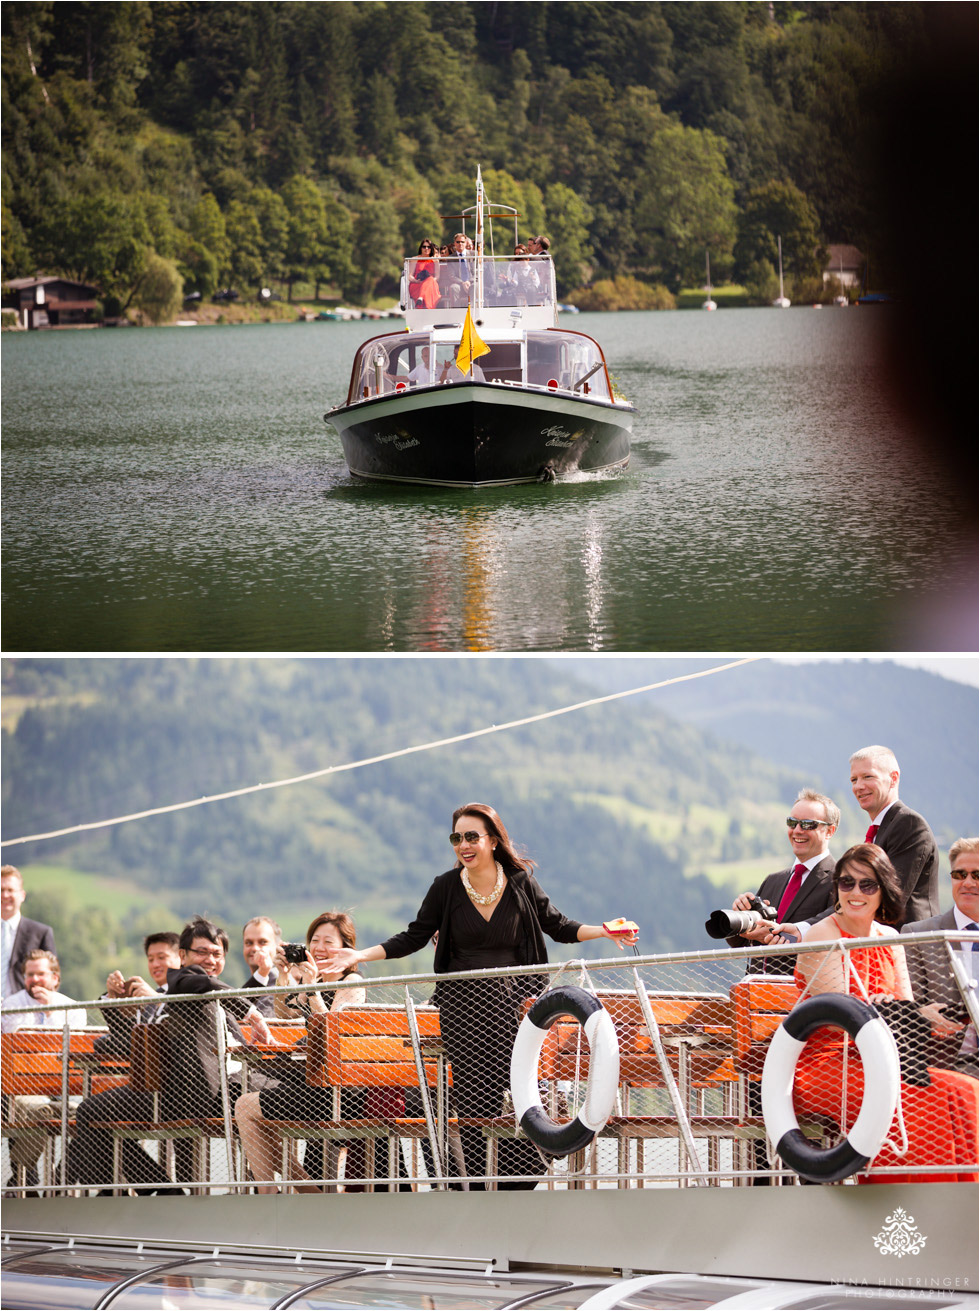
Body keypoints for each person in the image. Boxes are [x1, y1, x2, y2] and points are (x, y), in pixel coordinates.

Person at [320, 802, 638, 1190]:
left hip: (512, 1010)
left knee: (522, 1097)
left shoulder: (520, 882)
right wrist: (360, 954)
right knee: (474, 1103)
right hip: (462, 1009)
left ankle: (511, 1186)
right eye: (457, 838)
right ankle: (472, 1188)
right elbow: (414, 936)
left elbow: (560, 926)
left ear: (492, 840)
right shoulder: (445, 887)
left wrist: (604, 931)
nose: (463, 845)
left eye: (472, 836)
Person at [792, 844, 978, 1185]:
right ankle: (902, 1205)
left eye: (868, 884)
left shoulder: (890, 938)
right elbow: (845, 1011)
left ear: (883, 892)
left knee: (964, 1091)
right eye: (847, 883)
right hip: (831, 1062)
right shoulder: (824, 937)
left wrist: (931, 1016)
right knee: (918, 1101)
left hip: (882, 1060)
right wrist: (906, 1013)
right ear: (836, 888)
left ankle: (964, 1201)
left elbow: (904, 1010)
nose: (855, 892)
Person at [235, 911, 366, 1193]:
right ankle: (308, 1193)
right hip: (314, 1084)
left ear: (346, 947)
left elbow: (331, 1032)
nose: (318, 947)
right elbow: (284, 1017)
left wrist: (311, 988)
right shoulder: (315, 982)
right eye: (314, 940)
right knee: (253, 1112)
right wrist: (283, 977)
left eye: (327, 941)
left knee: (245, 1107)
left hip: (341, 1093)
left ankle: (271, 1196)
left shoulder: (351, 984)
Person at [64, 932, 184, 1194]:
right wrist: (112, 1000)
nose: (155, 964)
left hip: (175, 1092)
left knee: (89, 1115)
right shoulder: (148, 996)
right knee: (93, 1118)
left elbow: (165, 1035)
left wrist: (155, 999)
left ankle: (103, 1189)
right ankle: (149, 1187)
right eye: (150, 958)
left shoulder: (182, 993)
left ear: (180, 957)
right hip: (147, 1087)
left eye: (162, 957)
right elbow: (127, 1040)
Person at [727, 789, 839, 973]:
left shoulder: (841, 881)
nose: (797, 830)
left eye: (808, 824)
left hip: (802, 992)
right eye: (792, 822)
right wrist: (742, 917)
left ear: (830, 831)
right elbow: (741, 944)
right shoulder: (773, 880)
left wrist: (775, 934)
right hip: (756, 990)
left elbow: (833, 932)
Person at [2, 950, 85, 1193]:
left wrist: (51, 1013)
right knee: (41, 1110)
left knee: (88, 1117)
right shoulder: (11, 1006)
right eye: (30, 975)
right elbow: (14, 1044)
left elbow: (72, 1049)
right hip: (20, 1088)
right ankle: (23, 1179)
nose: (35, 980)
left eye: (41, 974)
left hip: (62, 1089)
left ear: (55, 978)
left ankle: (61, 1181)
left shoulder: (72, 1008)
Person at [901, 837, 978, 1076]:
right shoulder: (918, 934)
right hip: (943, 1067)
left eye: (977, 875)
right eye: (959, 875)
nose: (967, 882)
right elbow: (910, 1006)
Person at [849, 746, 939, 924]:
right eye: (854, 780)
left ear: (893, 778)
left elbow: (891, 897)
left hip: (911, 946)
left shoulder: (909, 824)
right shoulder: (880, 830)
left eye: (868, 776)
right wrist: (804, 929)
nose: (859, 786)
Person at [1, 865, 56, 999]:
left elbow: (53, 977)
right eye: (1, 890)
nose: (5, 895)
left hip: (25, 1010)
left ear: (22, 895)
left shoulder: (41, 933)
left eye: (10, 890)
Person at [242, 916, 282, 1017]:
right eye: (249, 943)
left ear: (278, 946)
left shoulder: (278, 982)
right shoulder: (254, 981)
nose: (255, 948)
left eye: (263, 942)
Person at [442, 233, 473, 307]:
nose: (460, 244)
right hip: (459, 284)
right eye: (458, 242)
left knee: (476, 286)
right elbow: (452, 276)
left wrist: (469, 281)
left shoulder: (473, 255)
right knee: (453, 288)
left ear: (465, 243)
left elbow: (477, 273)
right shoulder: (451, 258)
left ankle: (473, 312)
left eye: (462, 242)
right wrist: (463, 282)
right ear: (454, 244)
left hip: (471, 282)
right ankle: (456, 312)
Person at [408, 239, 440, 309]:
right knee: (429, 281)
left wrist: (430, 281)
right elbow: (410, 276)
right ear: (421, 248)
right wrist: (416, 281)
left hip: (431, 284)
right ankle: (423, 304)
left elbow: (437, 276)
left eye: (428, 247)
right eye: (424, 247)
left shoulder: (435, 260)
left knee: (430, 279)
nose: (426, 248)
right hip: (417, 283)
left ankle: (421, 298)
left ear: (431, 248)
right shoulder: (415, 259)